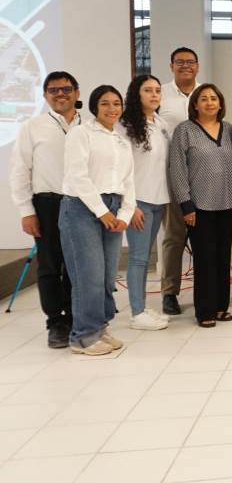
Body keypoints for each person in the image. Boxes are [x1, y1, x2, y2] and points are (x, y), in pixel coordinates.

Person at [60, 85, 134, 355]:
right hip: (82, 208)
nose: (112, 109)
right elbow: (77, 176)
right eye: (105, 103)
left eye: (116, 103)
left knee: (106, 276)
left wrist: (125, 214)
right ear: (94, 107)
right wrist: (101, 212)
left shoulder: (121, 141)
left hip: (113, 207)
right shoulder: (81, 134)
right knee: (87, 275)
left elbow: (129, 181)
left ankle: (99, 327)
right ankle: (83, 337)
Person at [10, 71, 82, 348]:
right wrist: (26, 210)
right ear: (45, 95)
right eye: (53, 90)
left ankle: (77, 317)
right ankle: (56, 322)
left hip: (82, 204)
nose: (60, 94)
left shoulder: (88, 126)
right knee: (50, 265)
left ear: (76, 92)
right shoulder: (33, 126)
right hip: (48, 204)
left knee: (78, 264)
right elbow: (20, 169)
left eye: (66, 89)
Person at [168, 84, 232, 327]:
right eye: (204, 99)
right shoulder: (185, 130)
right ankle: (205, 311)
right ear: (195, 104)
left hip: (227, 203)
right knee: (204, 259)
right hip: (199, 206)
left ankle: (221, 307)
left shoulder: (229, 129)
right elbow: (177, 168)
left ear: (220, 104)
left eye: (214, 98)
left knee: (222, 257)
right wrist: (186, 204)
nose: (209, 102)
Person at [119, 74, 171, 331]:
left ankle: (141, 307)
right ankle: (137, 313)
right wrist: (131, 205)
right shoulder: (125, 125)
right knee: (138, 258)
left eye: (157, 90)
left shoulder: (160, 124)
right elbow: (121, 168)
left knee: (146, 257)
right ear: (136, 94)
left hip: (159, 199)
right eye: (148, 90)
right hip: (138, 201)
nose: (154, 95)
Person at [158, 47, 201, 316]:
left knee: (205, 238)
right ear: (171, 65)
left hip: (204, 176)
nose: (186, 66)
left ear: (197, 66)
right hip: (173, 175)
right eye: (180, 62)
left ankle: (206, 289)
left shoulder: (206, 93)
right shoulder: (160, 94)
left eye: (190, 62)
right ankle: (169, 293)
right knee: (174, 236)